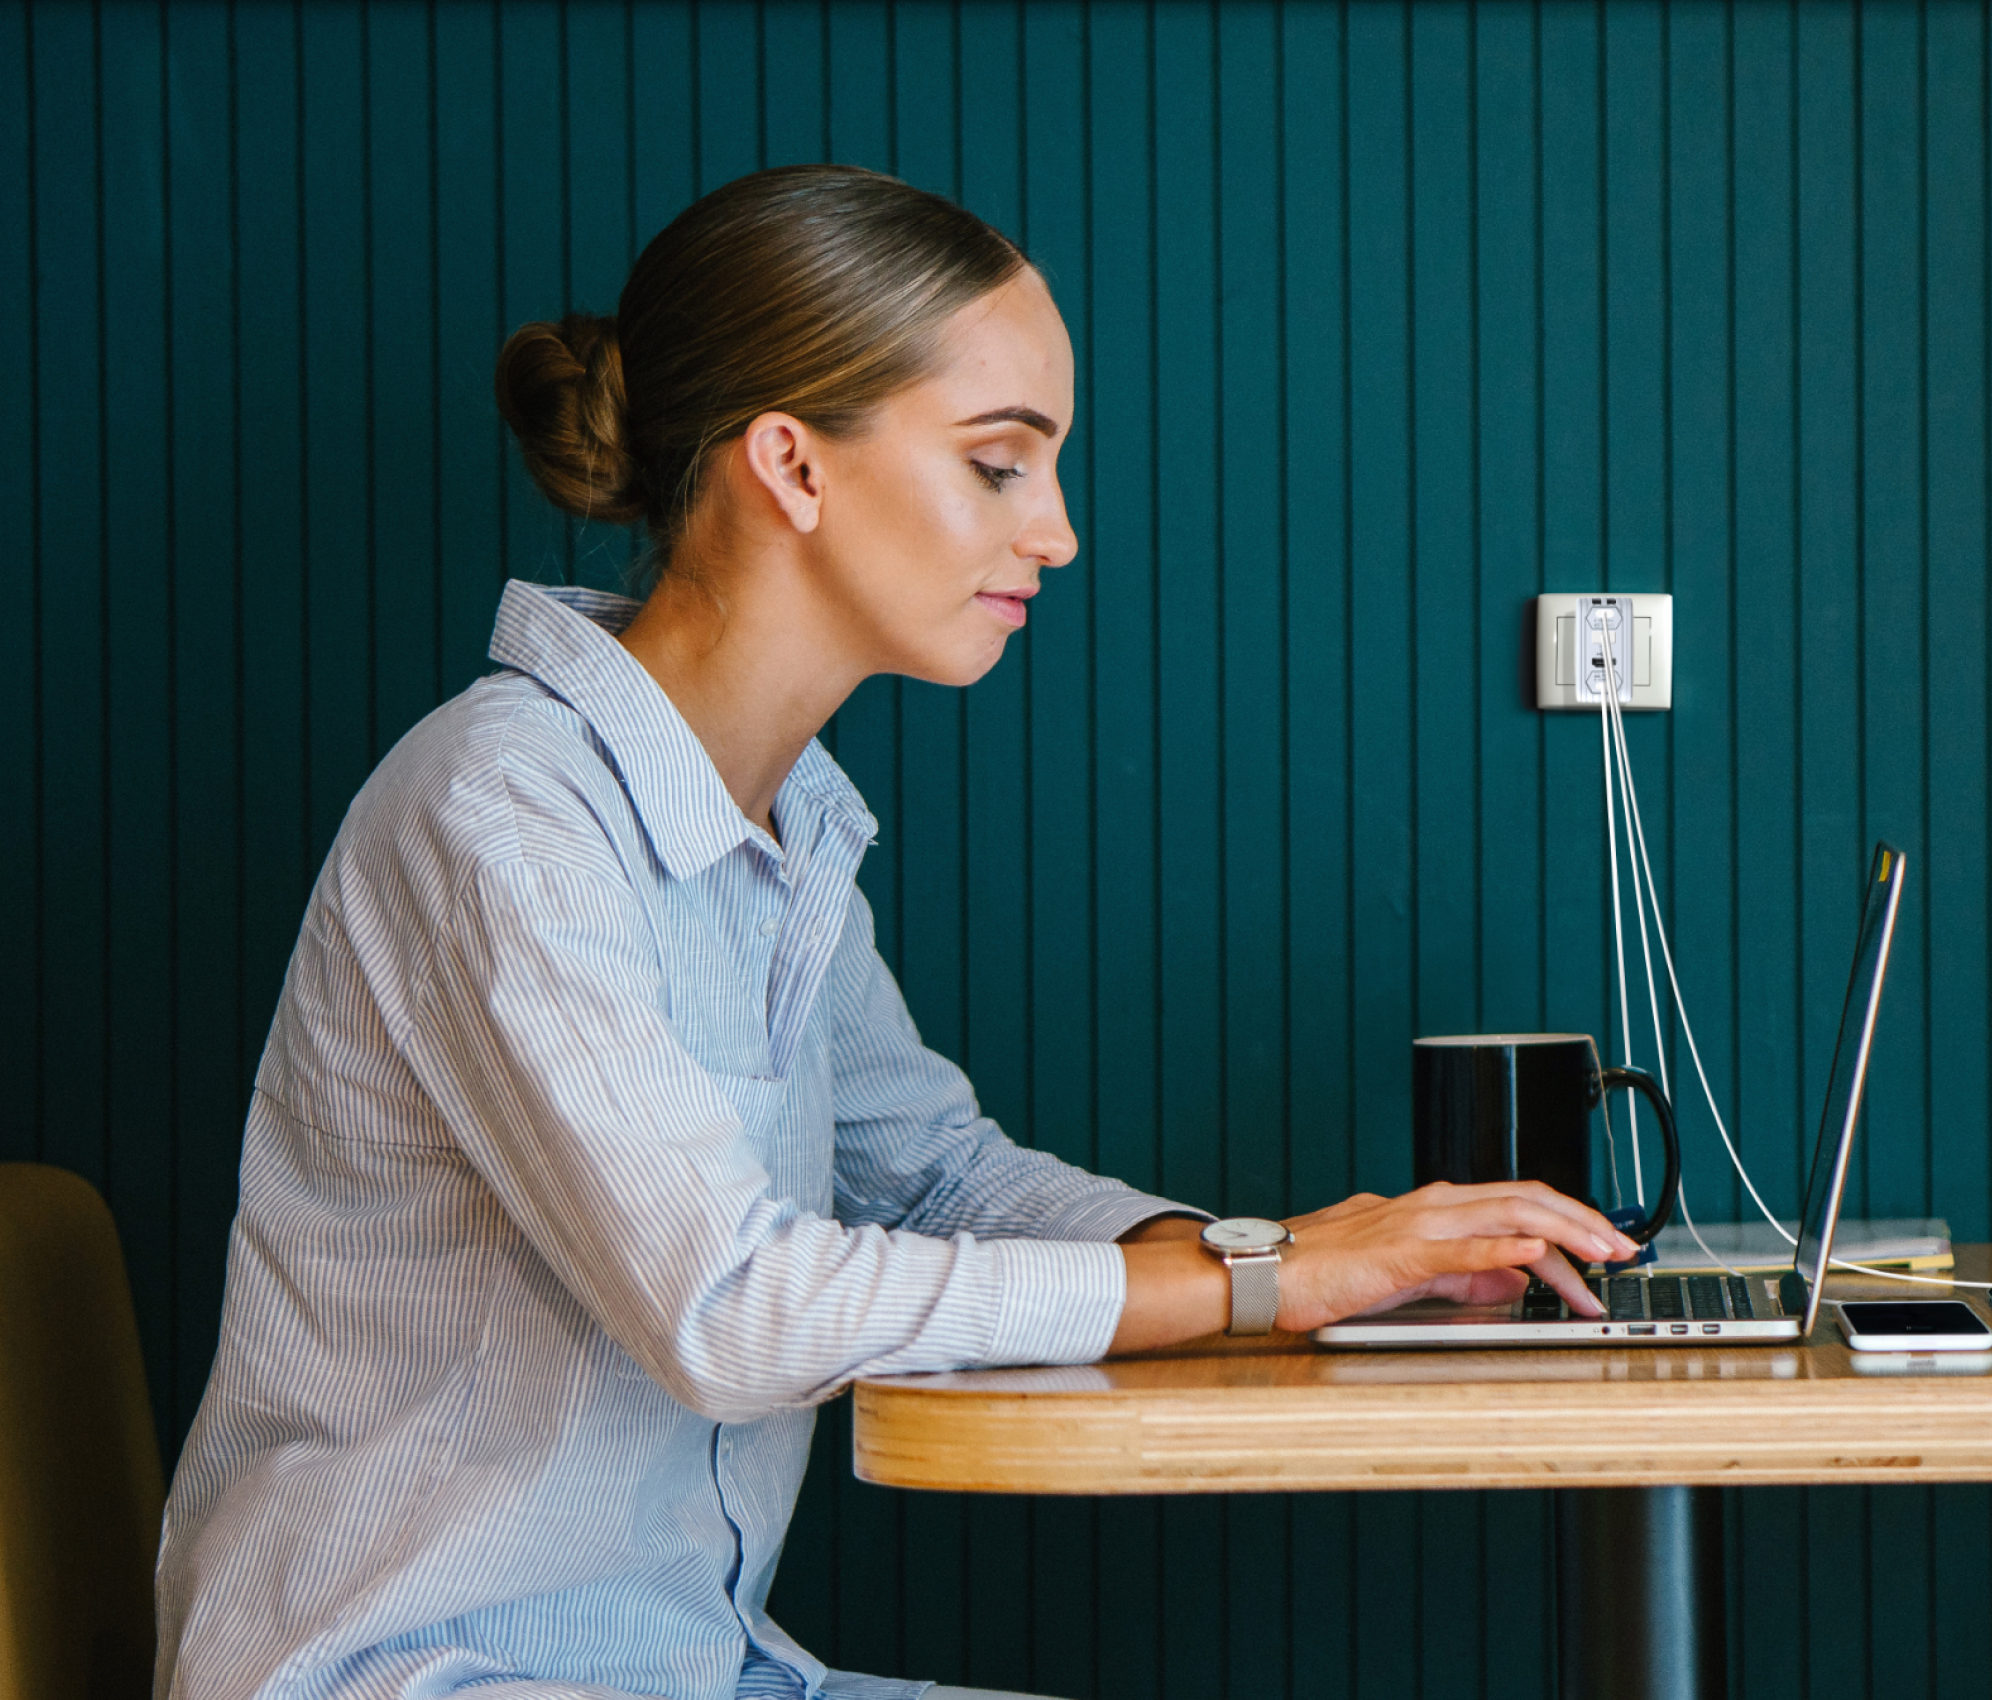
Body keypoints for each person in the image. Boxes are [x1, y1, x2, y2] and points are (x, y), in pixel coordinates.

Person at [149, 164, 1636, 1700]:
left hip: (697, 1670)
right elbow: (731, 1309)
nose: (1054, 533)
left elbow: (936, 1179)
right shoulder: (502, 812)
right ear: (790, 463)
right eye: (1000, 466)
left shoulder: (786, 825)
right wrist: (1266, 1282)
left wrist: (1310, 1257)